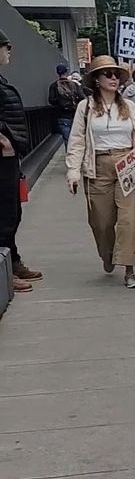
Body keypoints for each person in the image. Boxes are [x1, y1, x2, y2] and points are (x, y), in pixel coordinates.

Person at [65, 56, 135, 289]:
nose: (114, 78)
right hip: (98, 166)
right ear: (96, 80)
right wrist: (73, 171)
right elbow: (77, 140)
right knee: (101, 222)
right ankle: (108, 253)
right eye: (108, 74)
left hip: (127, 164)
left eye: (116, 75)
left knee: (129, 220)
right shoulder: (86, 108)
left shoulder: (129, 106)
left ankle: (130, 269)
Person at [0, 28, 41, 293]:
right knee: (4, 214)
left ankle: (12, 261)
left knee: (12, 211)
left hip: (9, 156)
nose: (9, 50)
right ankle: (4, 271)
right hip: (3, 156)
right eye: (5, 46)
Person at [48, 62, 85, 146]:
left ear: (57, 73)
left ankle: (69, 156)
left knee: (67, 140)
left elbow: (51, 100)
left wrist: (61, 102)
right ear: (67, 72)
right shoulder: (74, 84)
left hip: (62, 115)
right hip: (75, 115)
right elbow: (82, 97)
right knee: (77, 138)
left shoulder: (53, 86)